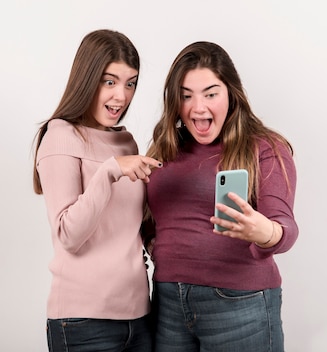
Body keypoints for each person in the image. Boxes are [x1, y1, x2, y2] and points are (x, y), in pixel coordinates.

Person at [143, 41, 298, 352]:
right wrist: (152, 241)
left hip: (240, 307)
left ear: (231, 94)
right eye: (186, 96)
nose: (198, 108)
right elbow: (152, 217)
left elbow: (285, 227)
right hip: (168, 304)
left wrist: (262, 231)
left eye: (210, 94)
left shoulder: (265, 147)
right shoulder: (165, 148)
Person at [32, 29, 162, 352]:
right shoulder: (60, 136)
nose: (121, 96)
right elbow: (68, 234)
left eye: (130, 83)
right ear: (87, 78)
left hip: (139, 316)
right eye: (110, 81)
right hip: (82, 322)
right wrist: (110, 171)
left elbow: (131, 228)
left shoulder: (125, 141)